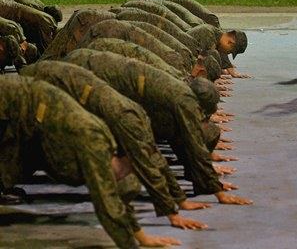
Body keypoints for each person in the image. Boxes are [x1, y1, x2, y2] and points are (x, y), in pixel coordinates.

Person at [20, 61, 210, 230]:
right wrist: (172, 212)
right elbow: (148, 166)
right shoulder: (129, 122)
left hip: (58, 77)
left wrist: (179, 200)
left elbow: (154, 158)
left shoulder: (138, 120)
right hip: (46, 80)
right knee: (22, 135)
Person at [0, 75, 179, 248]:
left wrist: (142, 237)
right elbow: (108, 205)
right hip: (11, 102)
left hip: (21, 110)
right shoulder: (96, 147)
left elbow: (116, 203)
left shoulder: (108, 146)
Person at [62, 49, 253, 206]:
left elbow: (182, 140)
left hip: (91, 68)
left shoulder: (180, 93)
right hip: (82, 72)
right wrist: (216, 190)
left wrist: (204, 181)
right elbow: (192, 143)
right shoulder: (182, 100)